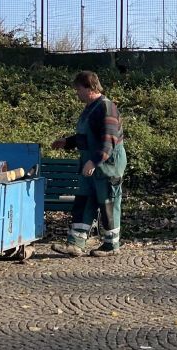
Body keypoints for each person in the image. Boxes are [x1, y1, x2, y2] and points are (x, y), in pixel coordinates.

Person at [50, 70, 127, 257]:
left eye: (78, 89)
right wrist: (67, 142)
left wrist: (94, 161)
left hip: (107, 167)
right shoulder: (90, 108)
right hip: (91, 166)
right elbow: (87, 136)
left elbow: (109, 140)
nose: (77, 93)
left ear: (89, 88)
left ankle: (111, 245)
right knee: (84, 201)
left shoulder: (106, 108)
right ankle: (75, 244)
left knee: (108, 204)